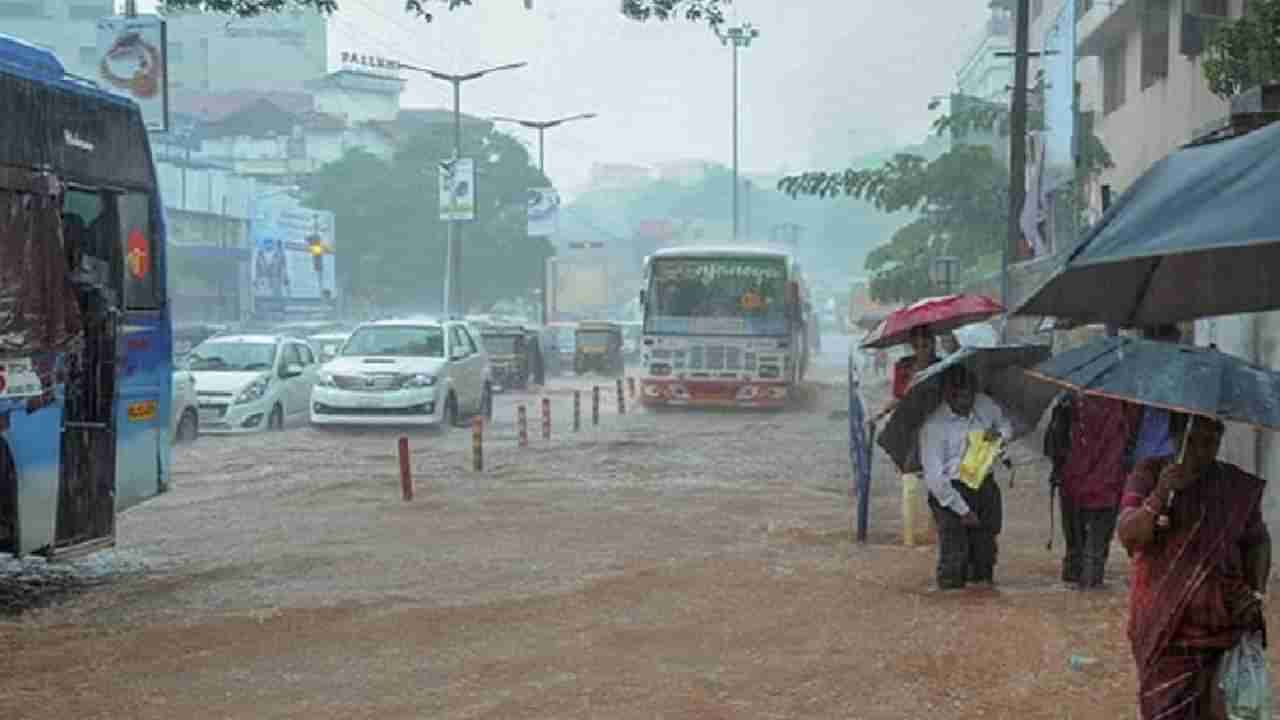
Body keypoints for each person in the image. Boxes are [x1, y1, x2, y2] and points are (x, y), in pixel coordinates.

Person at [1117, 412, 1270, 720]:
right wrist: (1160, 496)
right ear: (1175, 437)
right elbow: (1128, 536)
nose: (1201, 451)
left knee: (1219, 710)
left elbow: (1258, 541)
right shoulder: (1149, 474)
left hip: (1221, 628)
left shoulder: (1233, 485)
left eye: (1210, 442)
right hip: (1163, 629)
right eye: (1192, 441)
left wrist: (1255, 594)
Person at [919, 365, 1013, 589]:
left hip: (984, 486)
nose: (967, 401)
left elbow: (1006, 425)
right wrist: (962, 509)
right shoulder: (933, 427)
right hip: (951, 492)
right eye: (959, 395)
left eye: (970, 393)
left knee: (985, 556)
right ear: (947, 395)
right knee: (954, 558)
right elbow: (935, 480)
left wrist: (999, 436)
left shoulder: (984, 405)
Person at [1054, 392, 1140, 589]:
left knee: (1074, 551)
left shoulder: (1070, 399)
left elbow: (1057, 443)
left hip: (1073, 484)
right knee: (1095, 552)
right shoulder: (1124, 402)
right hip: (1106, 486)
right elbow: (1132, 438)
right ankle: (1090, 601)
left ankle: (1070, 606)